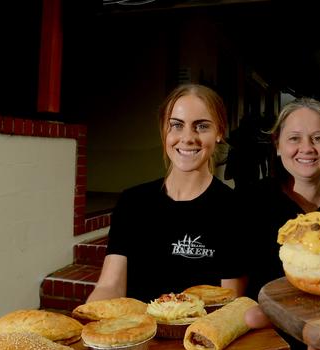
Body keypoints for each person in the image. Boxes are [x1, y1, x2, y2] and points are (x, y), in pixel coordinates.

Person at [87, 84, 247, 303]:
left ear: (219, 132)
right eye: (176, 125)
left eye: (201, 126)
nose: (188, 137)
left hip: (198, 335)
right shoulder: (132, 202)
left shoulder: (235, 208)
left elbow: (230, 301)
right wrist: (90, 318)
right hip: (137, 334)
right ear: (164, 130)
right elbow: (110, 286)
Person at [242, 97, 320, 350]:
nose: (306, 148)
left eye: (317, 138)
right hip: (269, 342)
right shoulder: (251, 201)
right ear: (277, 144)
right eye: (294, 138)